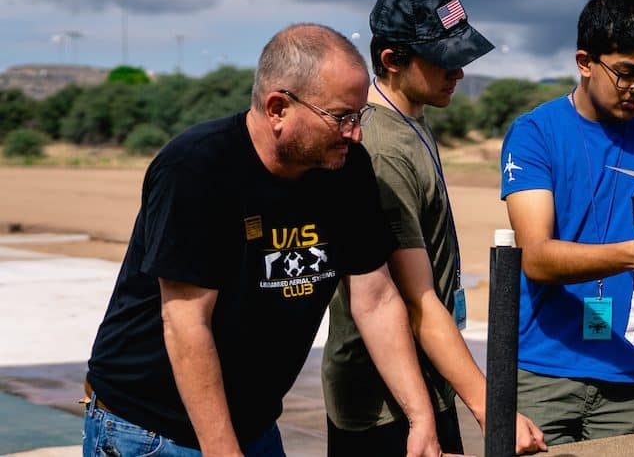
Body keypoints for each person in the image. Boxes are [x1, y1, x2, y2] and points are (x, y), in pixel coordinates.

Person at [83, 24, 441, 457]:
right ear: (277, 108)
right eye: (340, 117)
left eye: (358, 115)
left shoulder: (346, 169)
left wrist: (420, 419)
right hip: (152, 431)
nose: (355, 132)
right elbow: (186, 323)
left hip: (253, 426)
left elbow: (377, 299)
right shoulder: (196, 168)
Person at [322, 0, 545, 456]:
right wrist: (490, 405)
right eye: (446, 60)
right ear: (392, 60)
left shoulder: (412, 122)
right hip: (384, 401)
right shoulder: (381, 149)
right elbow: (414, 298)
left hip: (426, 378)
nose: (459, 73)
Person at [499, 0, 634, 445]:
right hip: (544, 371)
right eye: (627, 73)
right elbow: (536, 257)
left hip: (632, 374)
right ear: (584, 61)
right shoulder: (534, 133)